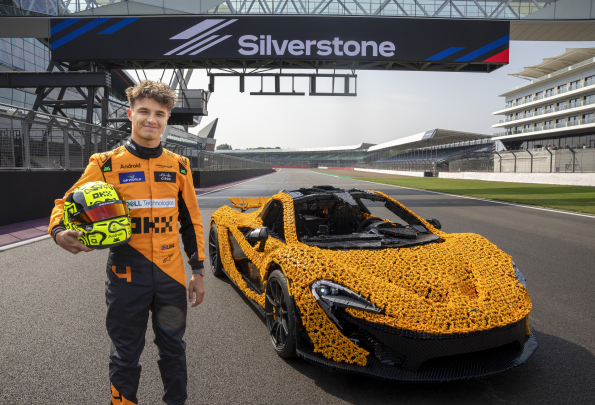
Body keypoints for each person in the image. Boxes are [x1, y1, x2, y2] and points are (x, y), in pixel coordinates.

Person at [48, 80, 205, 405]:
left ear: (167, 117)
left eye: (159, 113)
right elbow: (65, 203)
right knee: (125, 355)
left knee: (174, 351)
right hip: (125, 278)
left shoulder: (179, 166)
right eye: (144, 111)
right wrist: (59, 231)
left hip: (171, 278)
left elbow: (191, 221)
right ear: (129, 113)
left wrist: (198, 270)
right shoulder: (104, 163)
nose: (151, 119)